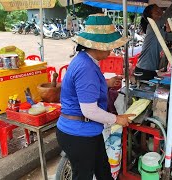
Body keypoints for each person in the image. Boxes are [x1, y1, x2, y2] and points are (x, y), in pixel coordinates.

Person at [56, 14, 135, 180]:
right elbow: (89, 110)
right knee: (83, 175)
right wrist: (117, 119)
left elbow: (82, 90)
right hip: (78, 133)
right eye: (109, 46)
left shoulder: (85, 60)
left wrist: (105, 83)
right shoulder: (86, 68)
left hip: (86, 131)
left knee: (103, 170)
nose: (111, 50)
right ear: (98, 46)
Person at [134, 3, 172, 80]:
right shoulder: (152, 26)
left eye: (159, 9)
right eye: (157, 10)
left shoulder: (157, 30)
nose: (160, 11)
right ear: (152, 15)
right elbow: (167, 15)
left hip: (148, 69)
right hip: (144, 70)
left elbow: (171, 38)